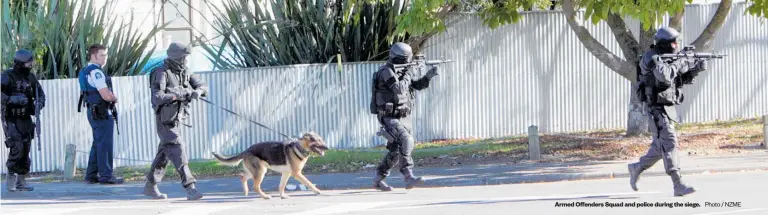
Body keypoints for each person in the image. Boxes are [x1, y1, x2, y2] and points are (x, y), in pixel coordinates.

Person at [628, 26, 707, 197]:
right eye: (673, 42)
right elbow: (664, 76)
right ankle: (678, 184)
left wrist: (695, 69)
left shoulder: (668, 58)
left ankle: (637, 167)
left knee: (660, 147)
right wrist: (682, 60)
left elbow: (677, 80)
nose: (676, 45)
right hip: (655, 107)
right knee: (669, 142)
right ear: (664, 43)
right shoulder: (652, 57)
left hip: (666, 107)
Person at [370, 42, 439, 191]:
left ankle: (378, 179)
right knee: (407, 140)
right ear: (398, 58)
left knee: (396, 150)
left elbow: (416, 86)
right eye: (406, 60)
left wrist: (428, 76)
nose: (408, 62)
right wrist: (409, 72)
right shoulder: (386, 72)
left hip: (402, 116)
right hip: (388, 117)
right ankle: (408, 177)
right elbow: (399, 89)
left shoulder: (402, 72)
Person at [143, 42, 208, 200]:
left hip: (177, 119)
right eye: (184, 57)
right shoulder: (160, 73)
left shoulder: (184, 71)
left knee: (165, 153)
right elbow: (157, 97)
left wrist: (197, 92)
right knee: (178, 148)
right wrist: (180, 94)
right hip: (165, 121)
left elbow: (202, 85)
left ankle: (150, 185)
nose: (186, 61)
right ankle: (190, 187)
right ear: (176, 58)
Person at [78, 44, 124, 185]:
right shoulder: (96, 72)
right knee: (105, 144)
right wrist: (113, 98)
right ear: (93, 56)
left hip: (93, 111)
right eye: (102, 55)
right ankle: (106, 175)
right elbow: (105, 95)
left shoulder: (84, 71)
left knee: (98, 143)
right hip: (101, 112)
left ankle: (91, 175)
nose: (105, 58)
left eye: (105, 55)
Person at [2, 49, 46, 192]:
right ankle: (10, 178)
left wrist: (39, 104)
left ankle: (21, 182)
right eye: (28, 63)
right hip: (12, 118)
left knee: (26, 149)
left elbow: (40, 95)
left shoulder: (30, 78)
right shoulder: (7, 76)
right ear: (20, 63)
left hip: (26, 119)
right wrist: (10, 99)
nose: (30, 66)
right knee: (17, 147)